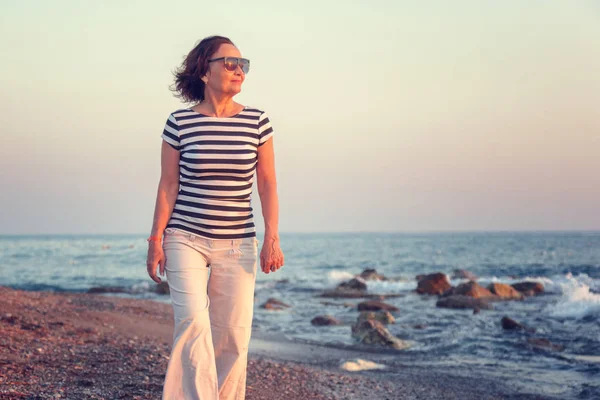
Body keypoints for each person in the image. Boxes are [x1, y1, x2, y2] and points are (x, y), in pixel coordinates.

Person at [145, 35, 284, 400]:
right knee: (192, 322)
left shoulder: (257, 121)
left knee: (233, 335)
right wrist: (155, 239)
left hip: (238, 242)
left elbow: (267, 183)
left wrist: (272, 237)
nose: (239, 70)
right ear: (204, 72)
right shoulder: (179, 123)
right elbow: (168, 186)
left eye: (243, 64)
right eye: (230, 63)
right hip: (184, 237)